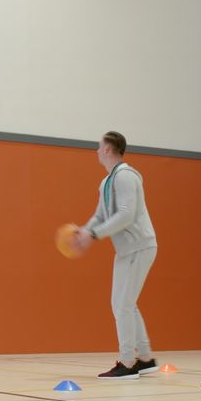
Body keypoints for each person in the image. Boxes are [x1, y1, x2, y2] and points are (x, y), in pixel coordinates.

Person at [73, 131, 159, 380]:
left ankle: (128, 362)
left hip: (140, 246)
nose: (97, 151)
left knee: (122, 305)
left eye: (99, 147)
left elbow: (125, 215)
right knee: (124, 304)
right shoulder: (107, 182)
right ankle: (144, 358)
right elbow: (101, 214)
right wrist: (85, 231)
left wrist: (95, 235)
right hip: (126, 249)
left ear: (109, 150)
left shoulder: (126, 177)